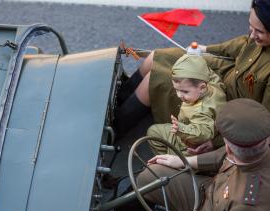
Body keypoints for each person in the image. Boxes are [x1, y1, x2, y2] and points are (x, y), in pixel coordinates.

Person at [98, 99, 270, 211]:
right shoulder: (258, 146)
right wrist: (184, 161)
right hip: (209, 200)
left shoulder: (249, 206)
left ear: (229, 146)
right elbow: (224, 155)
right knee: (151, 176)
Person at [115, 0, 270, 155]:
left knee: (154, 80)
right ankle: (116, 106)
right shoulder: (256, 37)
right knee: (157, 57)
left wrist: (216, 140)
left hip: (222, 105)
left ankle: (113, 132)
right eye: (251, 26)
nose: (252, 34)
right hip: (220, 73)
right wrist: (205, 49)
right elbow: (240, 44)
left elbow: (261, 124)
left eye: (260, 31)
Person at [147, 54, 226, 156]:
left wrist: (181, 128)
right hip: (184, 133)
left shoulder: (202, 111)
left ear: (202, 88)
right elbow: (209, 73)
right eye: (177, 89)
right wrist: (191, 63)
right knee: (153, 131)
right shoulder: (213, 85)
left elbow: (203, 133)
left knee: (173, 156)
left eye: (185, 92)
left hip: (191, 145)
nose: (179, 95)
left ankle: (168, 165)